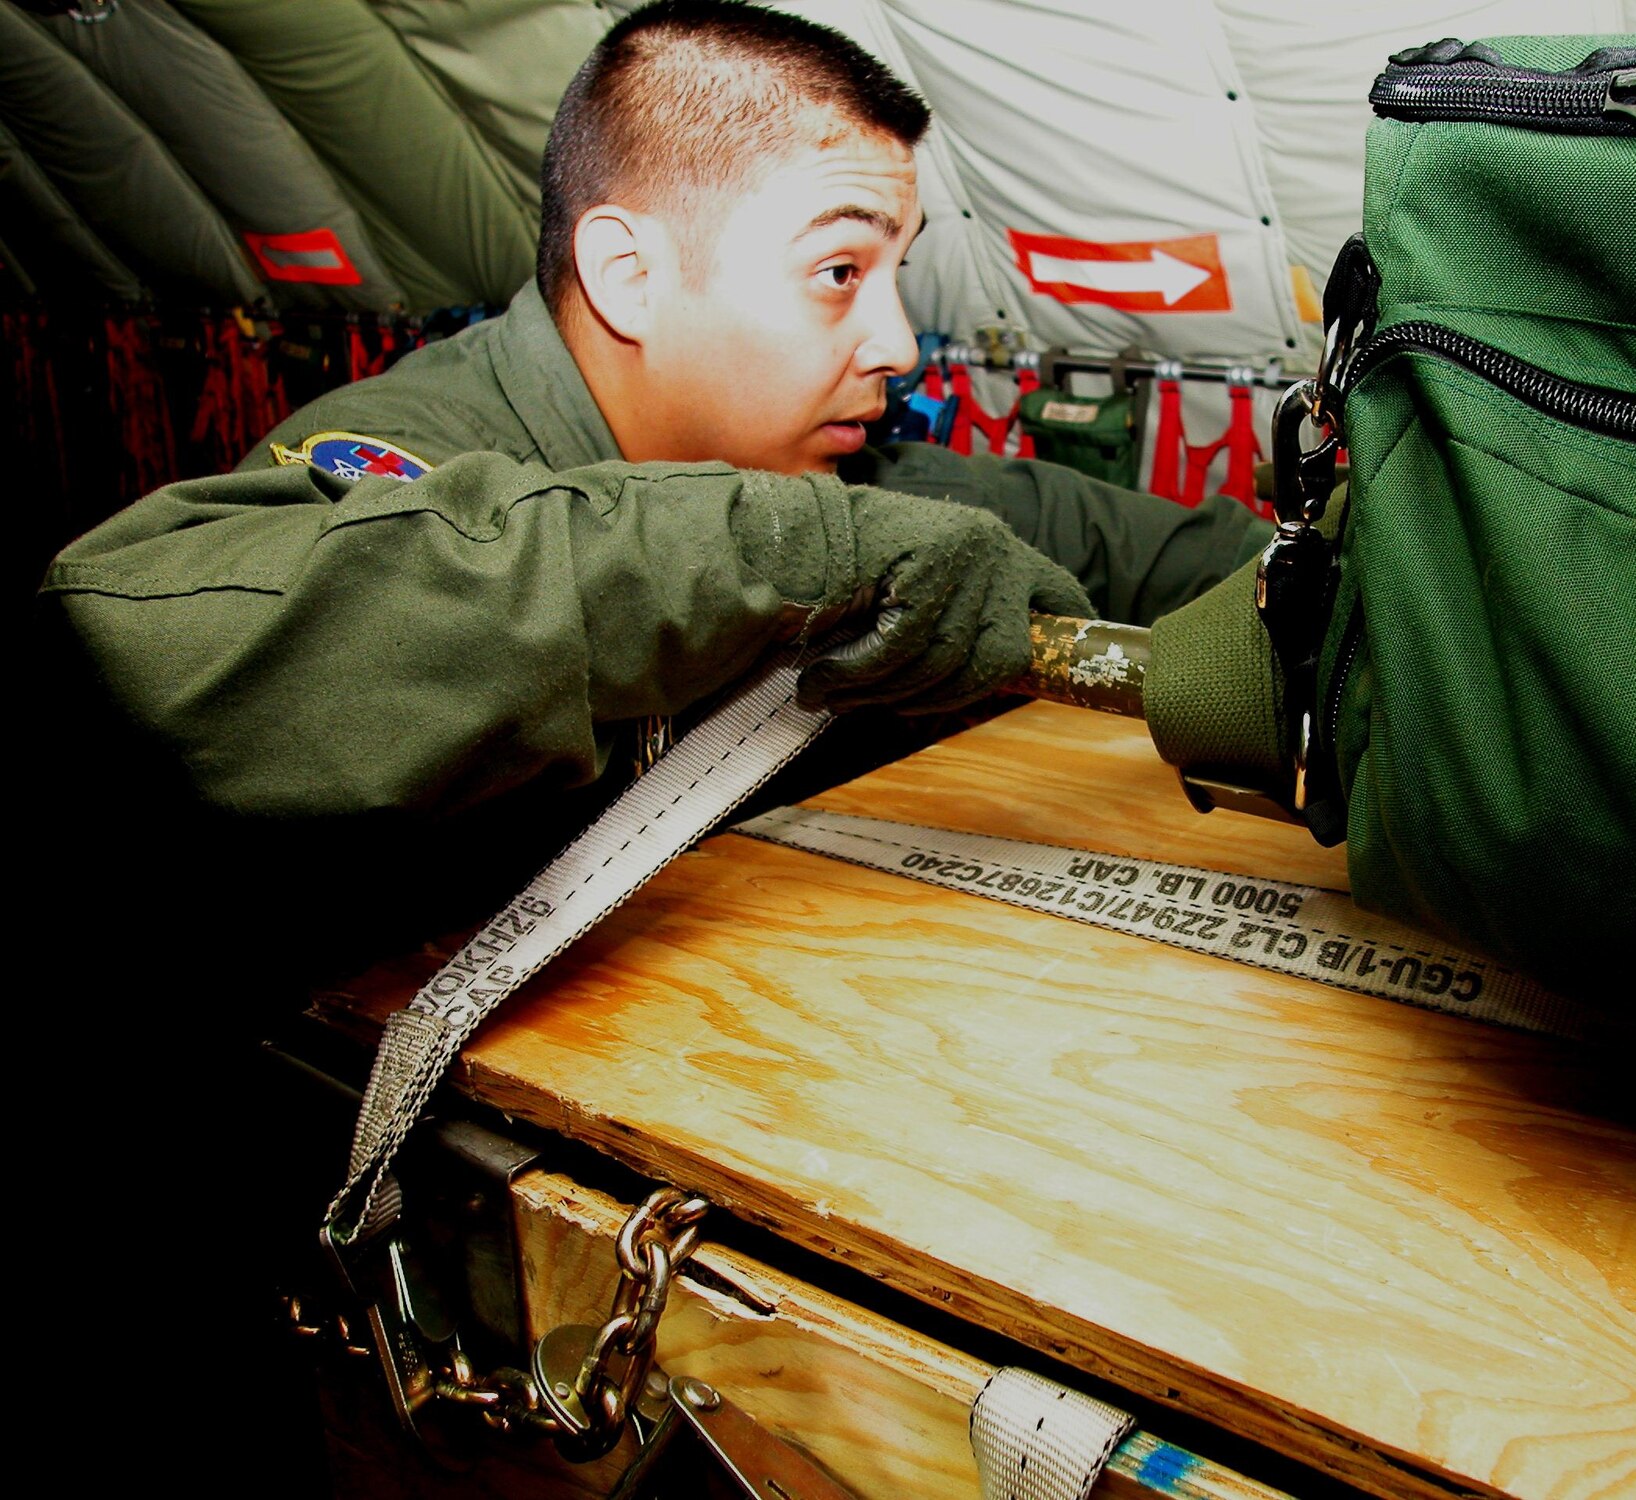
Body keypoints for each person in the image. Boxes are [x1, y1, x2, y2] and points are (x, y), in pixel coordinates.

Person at [29, 6, 1265, 1483]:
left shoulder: (813, 468)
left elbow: (1176, 554)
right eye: (838, 273)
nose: (895, 339)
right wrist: (795, 550)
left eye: (898, 277)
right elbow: (144, 654)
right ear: (627, 273)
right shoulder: (415, 458)